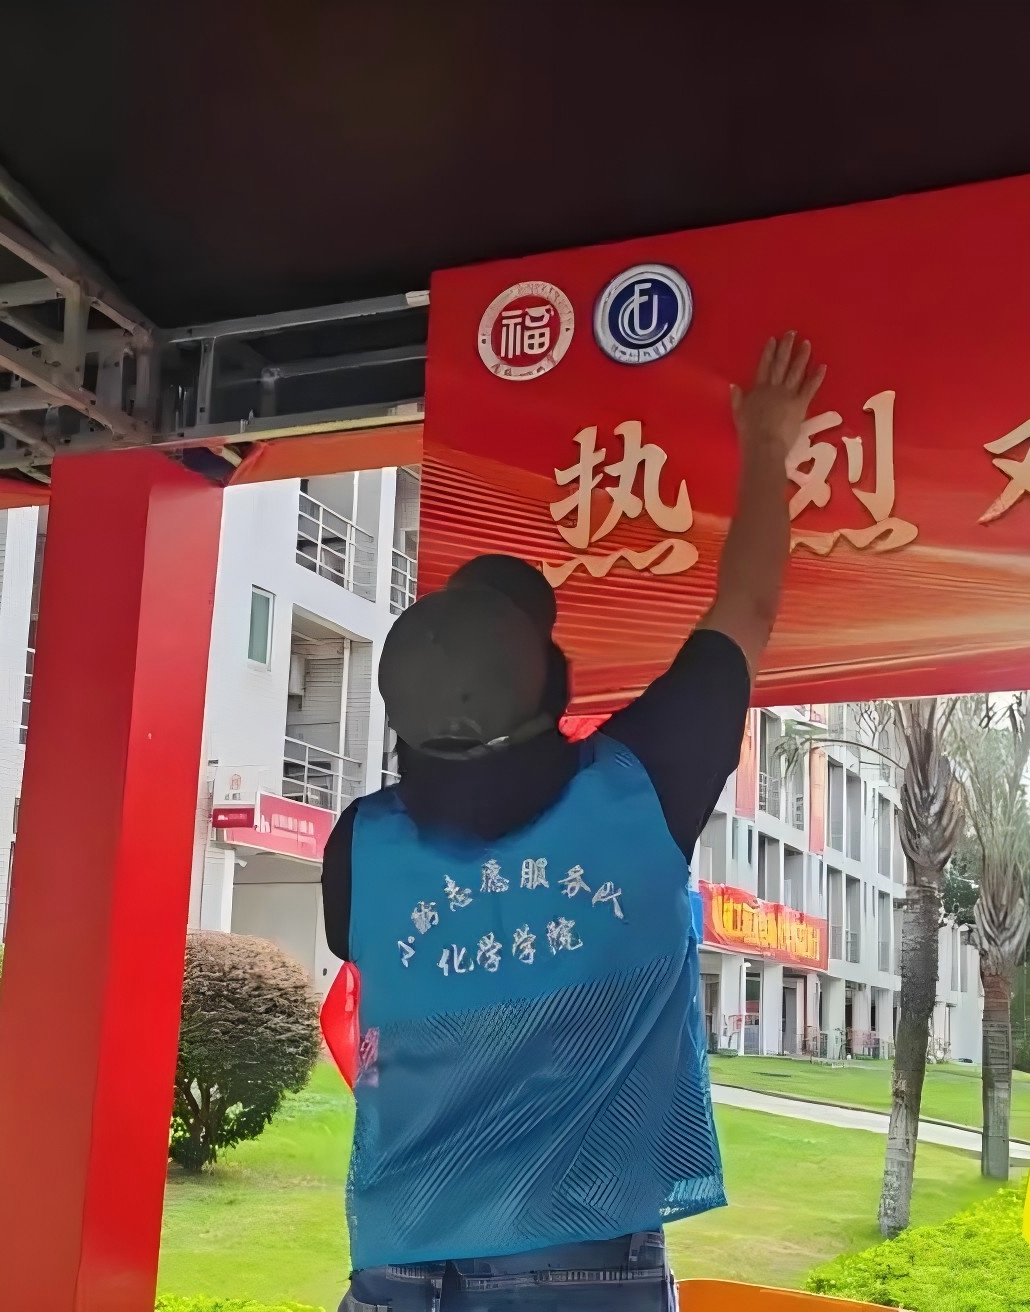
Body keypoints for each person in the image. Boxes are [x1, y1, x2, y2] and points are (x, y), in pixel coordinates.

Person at [323, 334, 826, 1311]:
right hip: (579, 1265)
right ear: (552, 685)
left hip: (393, 1267)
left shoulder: (360, 847)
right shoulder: (641, 789)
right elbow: (748, 608)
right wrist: (767, 443)